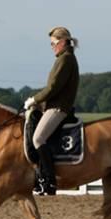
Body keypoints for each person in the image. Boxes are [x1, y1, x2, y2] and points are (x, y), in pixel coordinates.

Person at [24, 26, 80, 195]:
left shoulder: (66, 59)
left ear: (62, 42)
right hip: (53, 105)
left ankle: (49, 181)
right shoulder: (64, 58)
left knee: (39, 138)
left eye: (53, 43)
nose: (52, 47)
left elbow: (53, 87)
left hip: (59, 107)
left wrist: (35, 99)